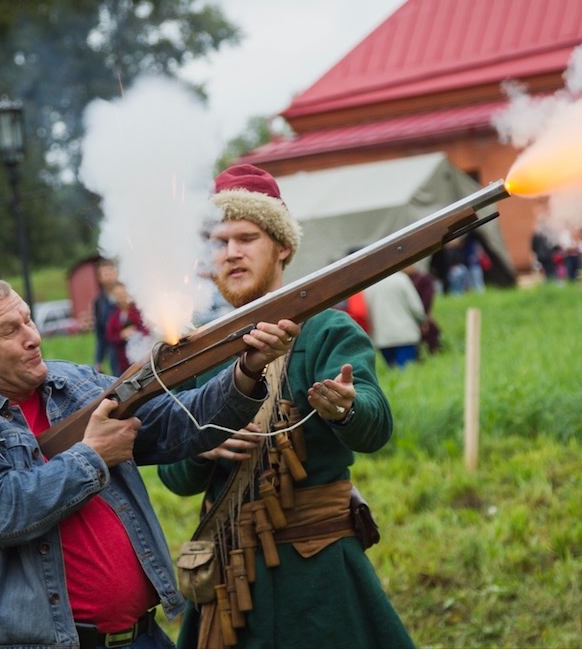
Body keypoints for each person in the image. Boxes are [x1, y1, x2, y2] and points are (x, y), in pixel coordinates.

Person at [0, 275, 299, 649]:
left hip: (142, 634)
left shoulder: (71, 382)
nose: (34, 337)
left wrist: (247, 369)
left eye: (27, 320)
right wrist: (92, 457)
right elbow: (3, 511)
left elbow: (175, 425)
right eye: (10, 331)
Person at [158, 164, 415, 649]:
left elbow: (375, 427)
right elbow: (175, 477)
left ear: (283, 247)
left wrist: (345, 408)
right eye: (217, 241)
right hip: (228, 577)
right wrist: (203, 450)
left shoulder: (328, 331)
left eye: (246, 237)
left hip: (317, 569)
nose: (230, 252)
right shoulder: (197, 350)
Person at [363, 266, 428, 369]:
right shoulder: (401, 279)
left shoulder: (368, 284)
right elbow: (416, 307)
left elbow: (364, 311)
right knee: (406, 372)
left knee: (393, 372)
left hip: (382, 336)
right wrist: (422, 320)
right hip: (404, 334)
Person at [105, 282, 152, 374]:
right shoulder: (114, 315)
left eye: (122, 293)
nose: (121, 297)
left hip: (143, 355)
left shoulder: (138, 310)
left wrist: (135, 331)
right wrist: (121, 335)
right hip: (123, 361)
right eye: (117, 295)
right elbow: (109, 337)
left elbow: (147, 328)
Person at [92, 257, 120, 373]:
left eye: (111, 271)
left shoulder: (128, 294)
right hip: (114, 353)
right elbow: (100, 333)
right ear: (100, 278)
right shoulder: (98, 302)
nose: (109, 276)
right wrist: (98, 360)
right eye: (105, 273)